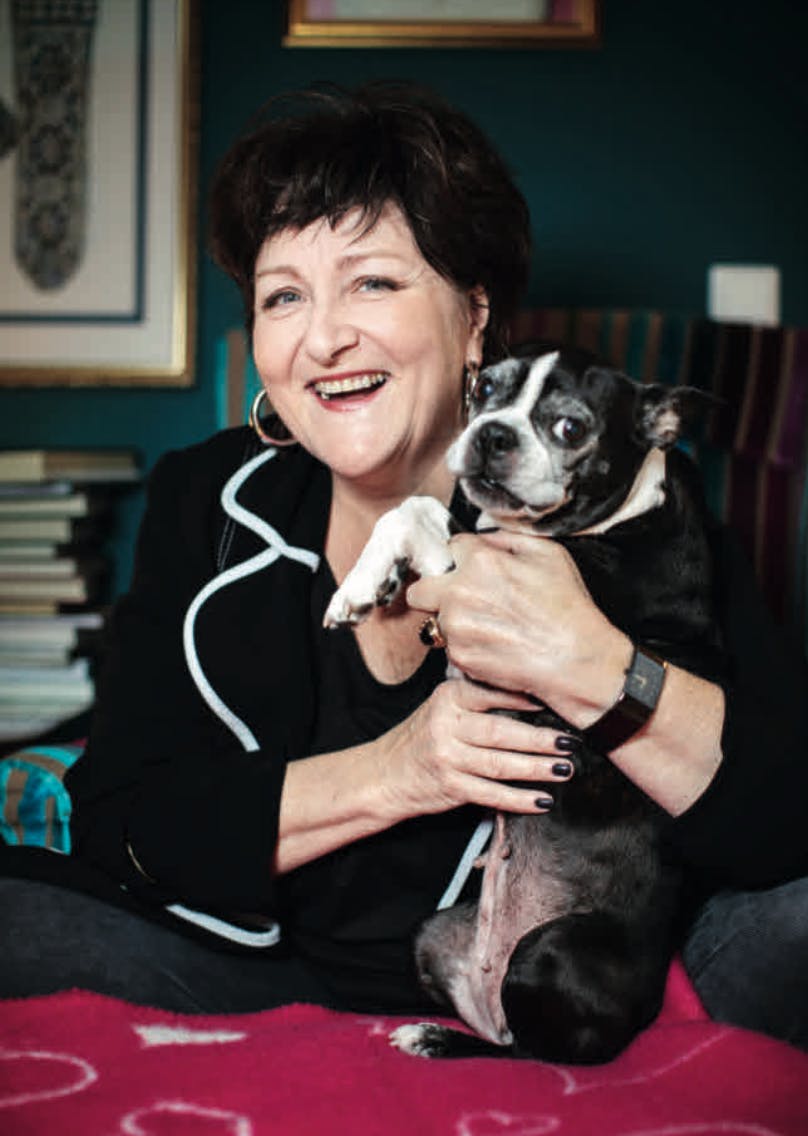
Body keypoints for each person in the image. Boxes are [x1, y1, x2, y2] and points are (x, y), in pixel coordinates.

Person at [1, 82, 807, 1048]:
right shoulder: (206, 498)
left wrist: (591, 664)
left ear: (473, 317)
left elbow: (782, 813)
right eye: (283, 296)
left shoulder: (622, 505)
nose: (323, 338)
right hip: (241, 968)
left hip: (563, 981)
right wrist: (405, 770)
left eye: (372, 283)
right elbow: (120, 818)